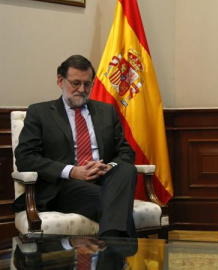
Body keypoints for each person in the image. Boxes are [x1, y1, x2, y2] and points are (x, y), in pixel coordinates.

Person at [13, 55, 138, 238]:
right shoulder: (40, 113)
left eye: (87, 84)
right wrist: (72, 171)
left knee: (126, 170)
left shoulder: (106, 112)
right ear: (60, 80)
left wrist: (108, 167)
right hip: (64, 186)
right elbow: (25, 158)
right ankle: (116, 256)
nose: (81, 89)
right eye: (75, 83)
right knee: (116, 201)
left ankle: (112, 255)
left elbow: (125, 151)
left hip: (104, 179)